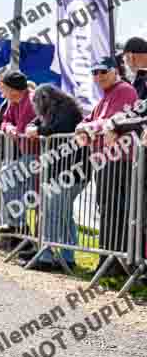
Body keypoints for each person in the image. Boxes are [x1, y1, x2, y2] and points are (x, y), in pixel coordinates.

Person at [75, 56, 138, 268]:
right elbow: (89, 120)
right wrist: (83, 127)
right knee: (108, 210)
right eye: (95, 72)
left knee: (116, 212)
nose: (98, 76)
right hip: (106, 161)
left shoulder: (125, 90)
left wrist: (88, 127)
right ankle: (108, 262)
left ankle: (114, 264)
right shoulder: (105, 96)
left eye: (103, 71)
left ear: (115, 71)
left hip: (120, 161)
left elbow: (114, 119)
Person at [24, 84, 84, 271]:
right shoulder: (54, 110)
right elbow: (34, 123)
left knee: (54, 213)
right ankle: (67, 256)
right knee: (62, 213)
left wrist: (38, 131)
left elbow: (58, 128)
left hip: (71, 170)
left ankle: (47, 256)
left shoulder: (67, 110)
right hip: (61, 169)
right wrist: (33, 127)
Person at [0, 70, 37, 234]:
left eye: (3, 87)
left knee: (8, 175)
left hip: (41, 154)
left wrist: (13, 129)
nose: (0, 90)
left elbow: (22, 128)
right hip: (27, 154)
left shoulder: (31, 100)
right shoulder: (13, 101)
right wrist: (9, 127)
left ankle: (20, 227)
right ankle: (19, 226)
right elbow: (5, 121)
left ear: (13, 89)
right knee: (7, 177)